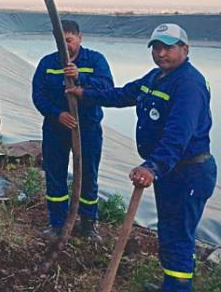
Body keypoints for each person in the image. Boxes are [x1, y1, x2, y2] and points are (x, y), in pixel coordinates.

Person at [67, 23, 216, 291]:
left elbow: (178, 135)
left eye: (168, 47)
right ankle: (172, 282)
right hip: (172, 171)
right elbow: (123, 94)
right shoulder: (157, 77)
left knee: (178, 235)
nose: (161, 53)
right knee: (170, 231)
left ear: (185, 49)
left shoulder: (189, 85)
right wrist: (86, 94)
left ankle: (177, 288)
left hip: (188, 172)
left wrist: (153, 167)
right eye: (156, 48)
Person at [31, 20, 113, 242]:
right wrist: (58, 114)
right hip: (55, 129)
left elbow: (107, 89)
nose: (65, 46)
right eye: (61, 41)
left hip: (87, 128)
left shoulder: (95, 61)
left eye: (69, 40)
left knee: (88, 174)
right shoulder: (47, 63)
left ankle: (88, 224)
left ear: (79, 38)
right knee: (55, 174)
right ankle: (57, 223)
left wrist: (80, 77)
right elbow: (38, 95)